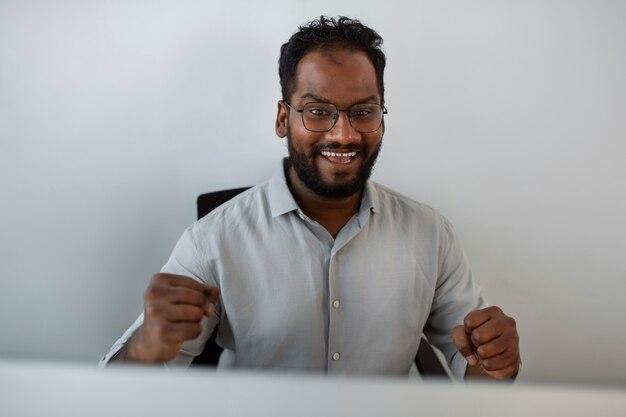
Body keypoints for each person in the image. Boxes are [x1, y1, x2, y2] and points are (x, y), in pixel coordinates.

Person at [101, 16, 520, 380]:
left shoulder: (430, 235)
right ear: (284, 119)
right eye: (318, 111)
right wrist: (144, 347)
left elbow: (477, 374)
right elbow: (117, 386)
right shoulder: (213, 238)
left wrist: (495, 363)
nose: (343, 134)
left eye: (364, 111)